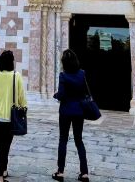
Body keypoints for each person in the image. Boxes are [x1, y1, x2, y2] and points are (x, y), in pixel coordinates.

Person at [0, 50, 27, 182]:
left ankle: (3, 170)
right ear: (12, 62)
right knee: (5, 146)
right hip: (10, 116)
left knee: (0, 145)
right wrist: (24, 107)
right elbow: (21, 96)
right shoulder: (17, 76)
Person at [53, 49, 90, 181]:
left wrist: (56, 95)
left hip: (65, 111)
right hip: (79, 111)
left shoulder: (63, 76)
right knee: (79, 140)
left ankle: (60, 171)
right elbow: (86, 92)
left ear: (64, 62)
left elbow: (61, 95)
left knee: (63, 139)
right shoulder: (82, 74)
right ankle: (84, 173)